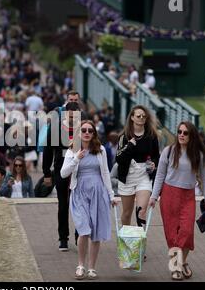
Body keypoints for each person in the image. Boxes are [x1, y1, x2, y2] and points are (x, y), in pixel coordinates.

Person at [149, 121, 205, 280]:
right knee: (172, 235)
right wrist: (153, 196)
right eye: (179, 132)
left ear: (191, 136)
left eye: (185, 133)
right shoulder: (169, 151)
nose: (181, 135)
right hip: (169, 195)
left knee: (186, 231)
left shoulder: (198, 154)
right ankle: (176, 267)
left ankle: (182, 262)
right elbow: (160, 175)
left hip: (188, 196)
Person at [61, 120, 118, 280]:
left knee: (96, 232)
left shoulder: (100, 150)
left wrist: (111, 195)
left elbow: (106, 173)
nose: (87, 133)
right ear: (79, 132)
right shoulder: (72, 151)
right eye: (84, 130)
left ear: (94, 134)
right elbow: (63, 173)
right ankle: (80, 265)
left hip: (98, 192)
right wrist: (76, 159)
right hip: (79, 193)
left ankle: (92, 267)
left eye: (90, 131)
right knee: (83, 229)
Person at [43, 101, 81, 251]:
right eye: (69, 116)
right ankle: (63, 238)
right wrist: (46, 172)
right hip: (61, 169)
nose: (72, 119)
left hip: (80, 169)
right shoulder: (56, 127)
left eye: (75, 116)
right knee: (63, 204)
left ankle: (80, 235)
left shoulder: (84, 127)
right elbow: (48, 150)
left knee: (80, 204)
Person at [116, 105, 159, 229]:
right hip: (127, 177)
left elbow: (156, 155)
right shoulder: (124, 136)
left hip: (144, 176)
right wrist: (129, 146)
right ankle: (126, 239)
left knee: (141, 211)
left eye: (144, 116)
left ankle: (139, 242)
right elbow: (118, 159)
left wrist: (153, 163)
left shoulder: (151, 136)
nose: (141, 118)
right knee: (127, 213)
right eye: (138, 116)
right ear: (132, 118)